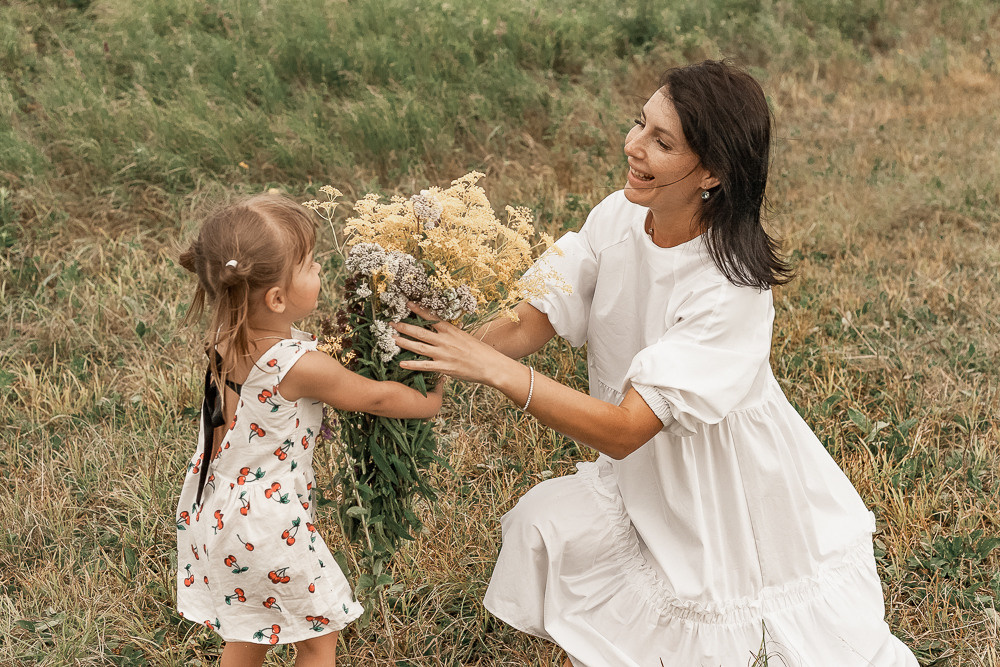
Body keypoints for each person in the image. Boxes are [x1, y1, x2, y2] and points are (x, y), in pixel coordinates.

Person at [392, 60, 918, 666]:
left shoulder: (730, 289)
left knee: (726, 637)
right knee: (544, 526)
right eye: (639, 123)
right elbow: (529, 320)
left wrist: (494, 370)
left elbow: (625, 430)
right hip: (644, 474)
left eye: (662, 142)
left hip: (722, 492)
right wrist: (432, 345)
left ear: (713, 172)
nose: (633, 146)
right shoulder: (618, 215)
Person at [175, 194, 443, 666]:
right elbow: (375, 397)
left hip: (216, 506)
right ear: (277, 299)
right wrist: (431, 398)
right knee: (320, 636)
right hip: (266, 523)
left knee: (251, 629)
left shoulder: (224, 337)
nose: (320, 269)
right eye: (309, 264)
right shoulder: (299, 365)